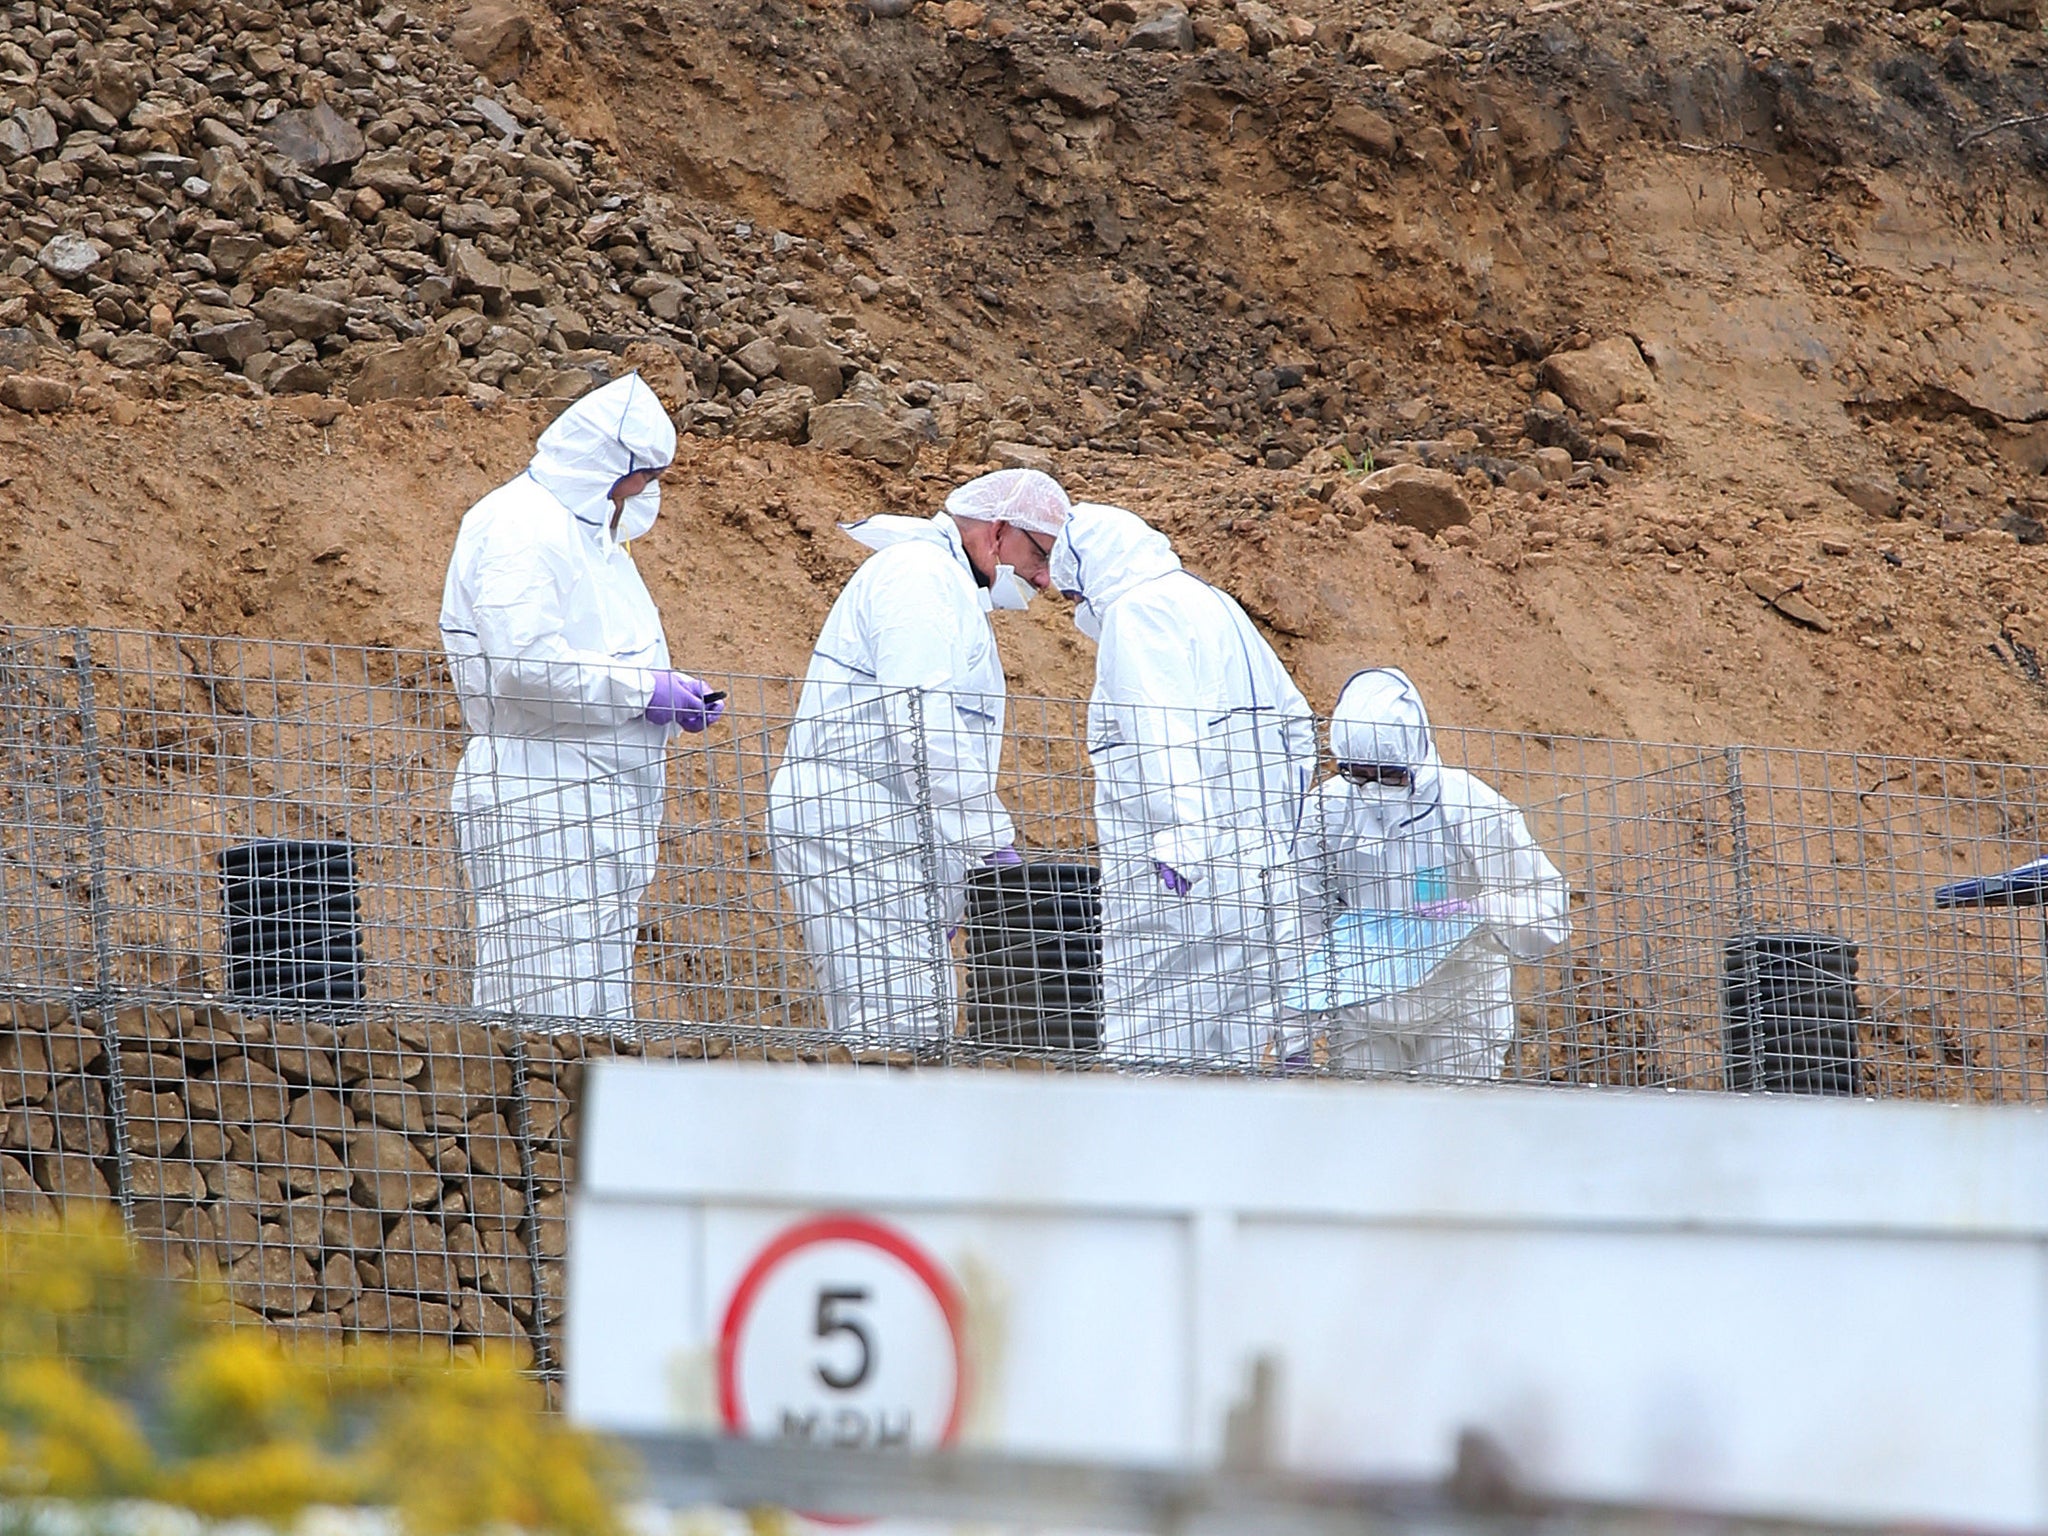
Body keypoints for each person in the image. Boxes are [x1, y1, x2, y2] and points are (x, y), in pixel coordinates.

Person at [439, 372, 722, 1028]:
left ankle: (579, 1131)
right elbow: (525, 668)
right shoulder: (520, 527)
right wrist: (643, 690)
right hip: (540, 800)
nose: (647, 493)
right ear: (607, 464)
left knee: (595, 1017)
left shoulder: (593, 536)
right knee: (538, 1008)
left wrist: (664, 690)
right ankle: (530, 1132)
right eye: (643, 477)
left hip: (601, 805)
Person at [768, 468, 1072, 1044]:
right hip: (852, 819)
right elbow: (922, 723)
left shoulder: (945, 586)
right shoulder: (919, 578)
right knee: (897, 1020)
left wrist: (956, 873)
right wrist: (987, 843)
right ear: (999, 531)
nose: (1048, 580)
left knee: (904, 1015)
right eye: (1042, 556)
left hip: (881, 824)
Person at [1047, 501, 1318, 1064]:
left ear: (1093, 575)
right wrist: (1276, 836)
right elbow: (1296, 728)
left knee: (1151, 1048)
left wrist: (1182, 844)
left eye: (1074, 597)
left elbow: (1161, 734)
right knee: (1230, 1058)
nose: (1078, 611)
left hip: (1176, 886)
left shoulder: (1138, 614)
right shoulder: (1214, 604)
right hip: (1258, 877)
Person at [1299, 666, 1569, 1077]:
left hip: (1460, 1004)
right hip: (1362, 1007)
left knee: (1452, 1135)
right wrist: (1296, 1032)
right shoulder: (1328, 810)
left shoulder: (1472, 808)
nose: (1373, 790)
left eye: (1388, 776)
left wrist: (1481, 910)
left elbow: (1549, 910)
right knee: (1370, 1132)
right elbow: (1299, 914)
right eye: (1358, 775)